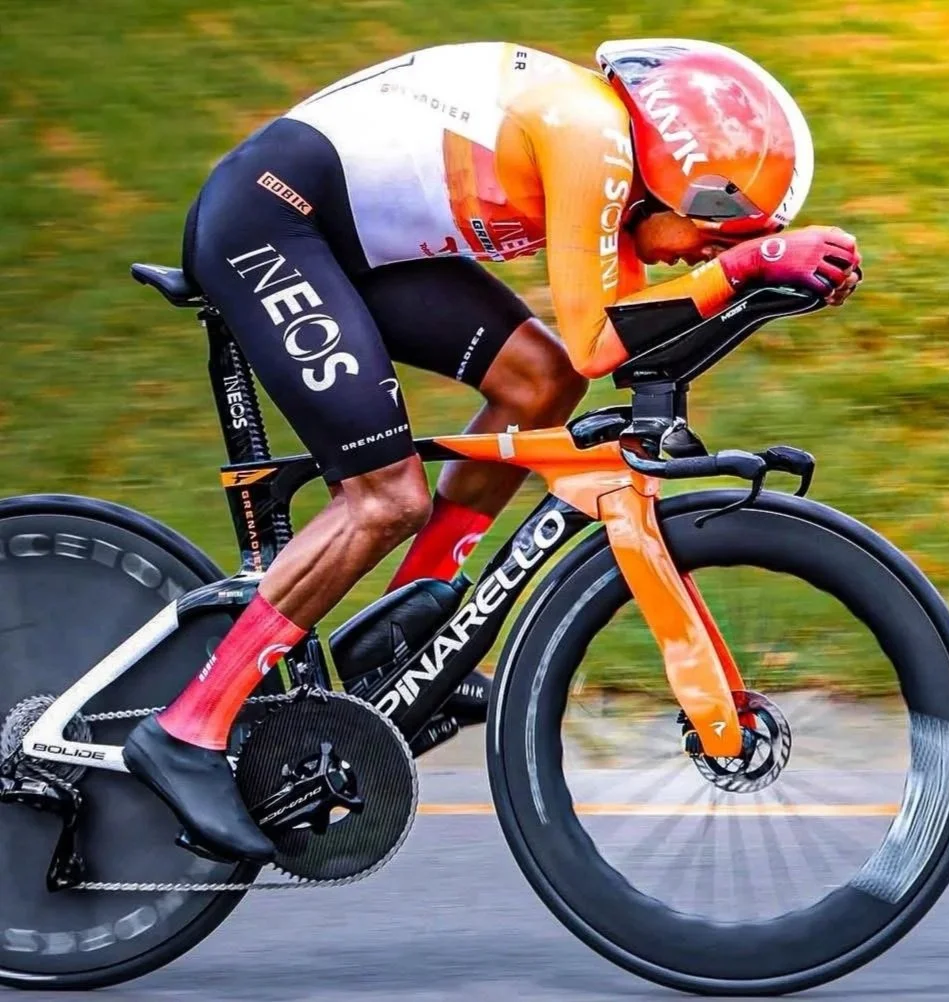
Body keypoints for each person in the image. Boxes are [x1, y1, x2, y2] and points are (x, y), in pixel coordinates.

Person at [123, 38, 862, 862]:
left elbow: (621, 346)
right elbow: (598, 340)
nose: (706, 253)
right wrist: (753, 265)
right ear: (674, 182)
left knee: (541, 381)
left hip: (347, 241)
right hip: (271, 222)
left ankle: (403, 644)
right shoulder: (588, 135)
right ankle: (187, 729)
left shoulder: (619, 172)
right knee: (386, 497)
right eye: (717, 233)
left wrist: (758, 284)